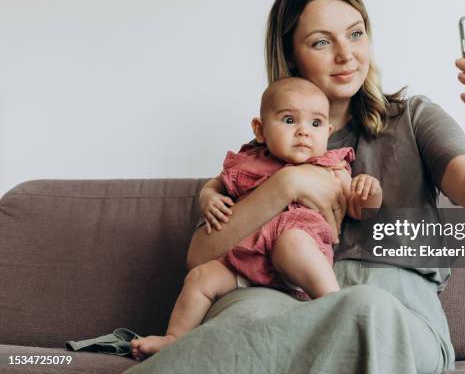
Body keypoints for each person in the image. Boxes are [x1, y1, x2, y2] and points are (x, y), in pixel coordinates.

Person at [126, 0, 465, 374]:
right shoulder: (267, 148)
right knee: (242, 331)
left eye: (356, 34)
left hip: (393, 305)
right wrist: (289, 183)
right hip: (274, 297)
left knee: (364, 312)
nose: (346, 55)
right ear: (291, 56)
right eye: (322, 42)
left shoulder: (413, 119)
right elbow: (200, 257)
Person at [130, 76, 383, 361]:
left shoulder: (332, 168)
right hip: (247, 261)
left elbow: (361, 210)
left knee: (292, 243)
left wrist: (368, 192)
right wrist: (209, 198)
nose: (303, 132)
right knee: (200, 277)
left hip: (295, 265)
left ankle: (335, 306)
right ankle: (175, 338)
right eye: (289, 120)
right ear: (260, 130)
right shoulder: (248, 162)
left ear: (328, 130)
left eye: (315, 124)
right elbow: (216, 185)